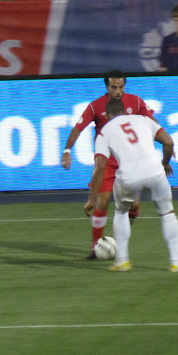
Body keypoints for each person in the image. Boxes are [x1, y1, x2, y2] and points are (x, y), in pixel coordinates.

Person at [61, 70, 155, 259]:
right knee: (101, 202)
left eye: (121, 87)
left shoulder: (136, 102)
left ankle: (123, 232)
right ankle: (95, 246)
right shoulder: (96, 106)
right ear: (107, 87)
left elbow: (151, 123)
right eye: (114, 87)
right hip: (107, 162)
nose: (118, 91)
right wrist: (67, 151)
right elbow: (78, 129)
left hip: (130, 162)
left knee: (134, 206)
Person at [88, 99, 178, 273]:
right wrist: (165, 163)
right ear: (124, 112)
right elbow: (169, 142)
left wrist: (91, 198)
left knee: (121, 212)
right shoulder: (143, 119)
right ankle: (177, 262)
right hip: (155, 172)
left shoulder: (104, 132)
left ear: (107, 115)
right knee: (167, 212)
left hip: (129, 176)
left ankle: (122, 261)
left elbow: (100, 165)